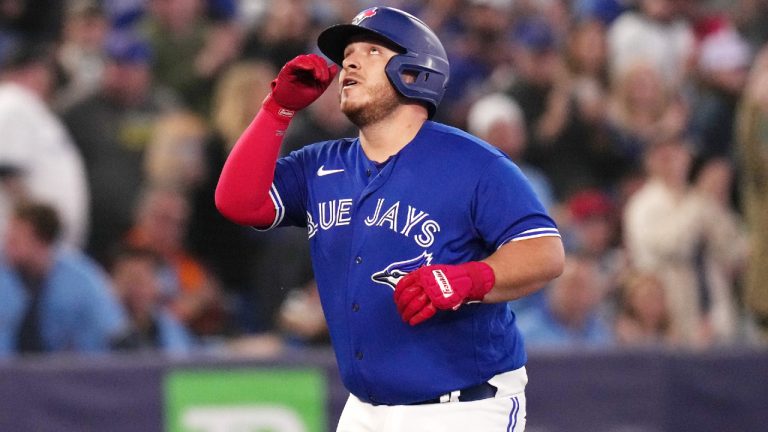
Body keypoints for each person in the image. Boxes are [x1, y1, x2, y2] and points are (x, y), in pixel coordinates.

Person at [216, 6, 564, 431]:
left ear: (415, 72)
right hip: (365, 410)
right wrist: (277, 109)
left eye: (372, 51)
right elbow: (238, 202)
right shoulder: (322, 165)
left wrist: (467, 280)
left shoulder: (474, 163)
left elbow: (545, 252)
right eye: (347, 55)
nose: (350, 62)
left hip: (464, 407)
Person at [0, 202, 127, 357]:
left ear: (41, 241)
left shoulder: (82, 280)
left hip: (73, 375)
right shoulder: (4, 276)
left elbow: (115, 331)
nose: (6, 245)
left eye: (15, 239)